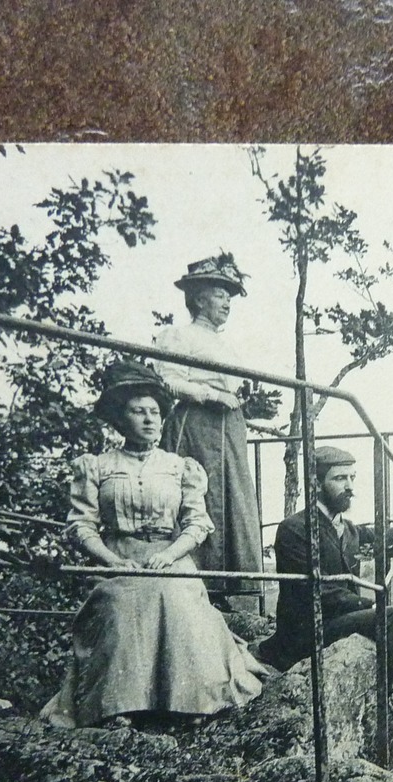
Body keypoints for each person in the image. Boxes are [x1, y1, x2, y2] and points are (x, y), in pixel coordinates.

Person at [40, 360, 271, 729]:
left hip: (170, 555)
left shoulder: (180, 467)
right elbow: (81, 526)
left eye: (155, 413)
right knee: (120, 603)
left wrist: (169, 554)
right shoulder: (97, 466)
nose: (149, 420)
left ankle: (192, 701)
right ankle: (117, 705)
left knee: (177, 598)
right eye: (138, 412)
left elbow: (197, 524)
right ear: (120, 418)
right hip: (118, 558)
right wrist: (111, 560)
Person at [256, 446, 393, 744]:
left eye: (352, 477)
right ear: (315, 484)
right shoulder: (294, 530)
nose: (350, 486)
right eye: (340, 478)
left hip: (341, 624)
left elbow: (387, 534)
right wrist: (369, 604)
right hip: (306, 633)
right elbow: (318, 593)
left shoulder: (348, 530)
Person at [152, 253, 266, 609]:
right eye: (220, 294)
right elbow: (169, 381)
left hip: (229, 428)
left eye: (230, 296)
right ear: (199, 297)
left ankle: (224, 588)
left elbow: (234, 385)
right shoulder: (178, 336)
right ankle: (196, 581)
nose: (227, 302)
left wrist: (239, 395)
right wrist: (210, 394)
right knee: (198, 493)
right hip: (197, 425)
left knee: (231, 496)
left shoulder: (227, 344)